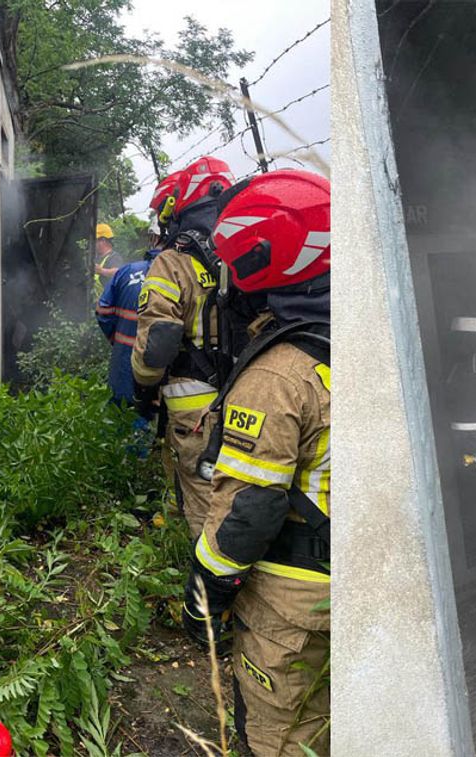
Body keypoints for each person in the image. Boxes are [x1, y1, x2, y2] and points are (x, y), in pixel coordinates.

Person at [181, 169, 330, 757]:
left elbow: (253, 506)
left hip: (297, 597)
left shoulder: (278, 374)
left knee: (282, 735)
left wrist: (205, 594)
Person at [130, 156, 233, 537]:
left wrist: (144, 388)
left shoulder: (173, 263)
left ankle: (208, 588)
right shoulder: (244, 252)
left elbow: (157, 345)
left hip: (195, 407)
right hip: (251, 395)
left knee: (206, 501)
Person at [96, 244, 163, 404]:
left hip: (124, 359)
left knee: (120, 412)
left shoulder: (128, 271)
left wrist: (117, 338)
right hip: (162, 370)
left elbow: (103, 312)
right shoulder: (186, 275)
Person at [94, 223, 125, 298]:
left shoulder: (114, 257)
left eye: (95, 240)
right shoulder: (97, 257)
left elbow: (118, 272)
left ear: (103, 240)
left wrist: (101, 271)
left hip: (107, 304)